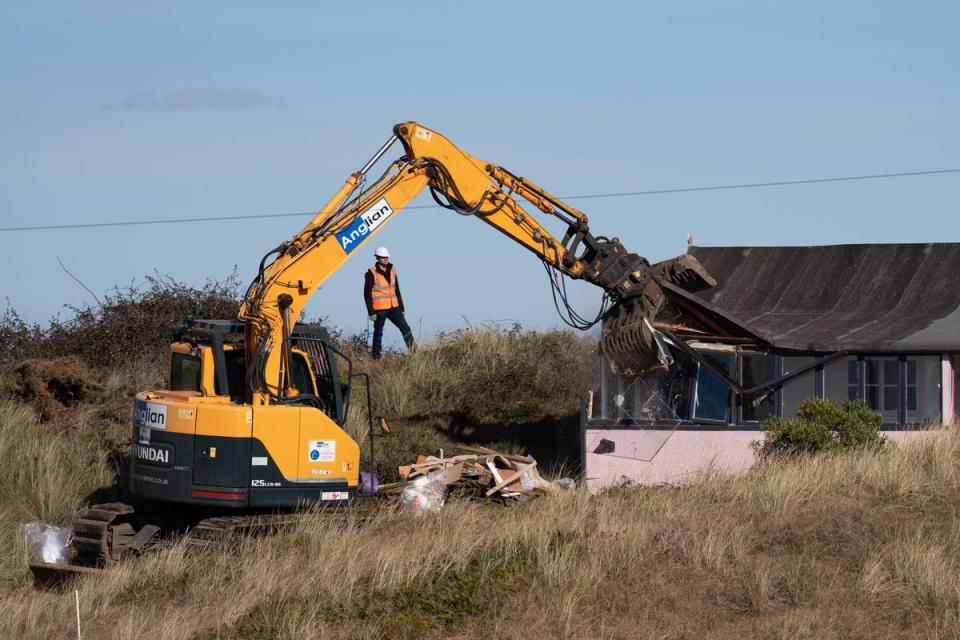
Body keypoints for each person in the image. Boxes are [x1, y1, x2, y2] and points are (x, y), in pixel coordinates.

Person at [364, 246, 416, 359]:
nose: (386, 259)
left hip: (394, 308)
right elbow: (366, 294)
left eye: (387, 257)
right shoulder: (371, 272)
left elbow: (397, 290)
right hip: (380, 309)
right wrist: (371, 312)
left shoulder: (393, 270)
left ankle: (415, 352)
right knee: (378, 333)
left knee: (406, 328)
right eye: (383, 258)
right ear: (377, 258)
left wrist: (402, 308)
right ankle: (376, 358)